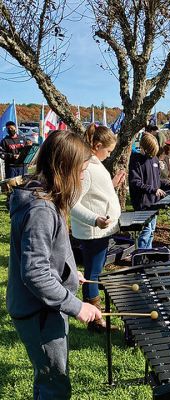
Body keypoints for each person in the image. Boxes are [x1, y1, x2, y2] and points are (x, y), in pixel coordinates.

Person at [6, 130, 102, 400]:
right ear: (66, 168)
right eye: (81, 170)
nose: (83, 177)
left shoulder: (44, 198)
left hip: (43, 309)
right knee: (54, 386)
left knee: (49, 379)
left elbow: (46, 255)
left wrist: (70, 272)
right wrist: (77, 306)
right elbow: (35, 273)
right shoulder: (41, 210)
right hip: (40, 314)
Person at [70, 124, 126, 333]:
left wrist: (112, 185)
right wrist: (95, 220)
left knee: (95, 272)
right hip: (94, 233)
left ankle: (95, 317)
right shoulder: (87, 167)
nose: (109, 155)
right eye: (108, 151)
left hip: (100, 231)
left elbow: (95, 193)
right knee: (93, 274)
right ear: (97, 146)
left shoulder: (94, 163)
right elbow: (73, 202)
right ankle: (95, 321)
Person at [129, 133, 170, 249]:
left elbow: (157, 180)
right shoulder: (136, 160)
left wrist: (168, 185)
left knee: (152, 230)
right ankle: (141, 255)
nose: (152, 155)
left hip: (154, 203)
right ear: (143, 147)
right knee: (146, 231)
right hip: (142, 203)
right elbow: (135, 182)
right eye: (151, 152)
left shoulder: (154, 159)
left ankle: (148, 254)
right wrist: (153, 190)